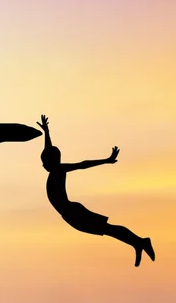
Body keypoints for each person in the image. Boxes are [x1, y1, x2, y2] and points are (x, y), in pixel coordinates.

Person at [36, 114, 155, 267]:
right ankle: (138, 243)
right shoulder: (55, 169)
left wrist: (106, 160)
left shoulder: (59, 170)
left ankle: (140, 242)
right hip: (70, 215)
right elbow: (50, 151)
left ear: (51, 162)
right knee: (108, 230)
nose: (42, 165)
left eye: (44, 162)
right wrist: (47, 132)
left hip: (73, 212)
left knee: (108, 229)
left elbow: (82, 164)